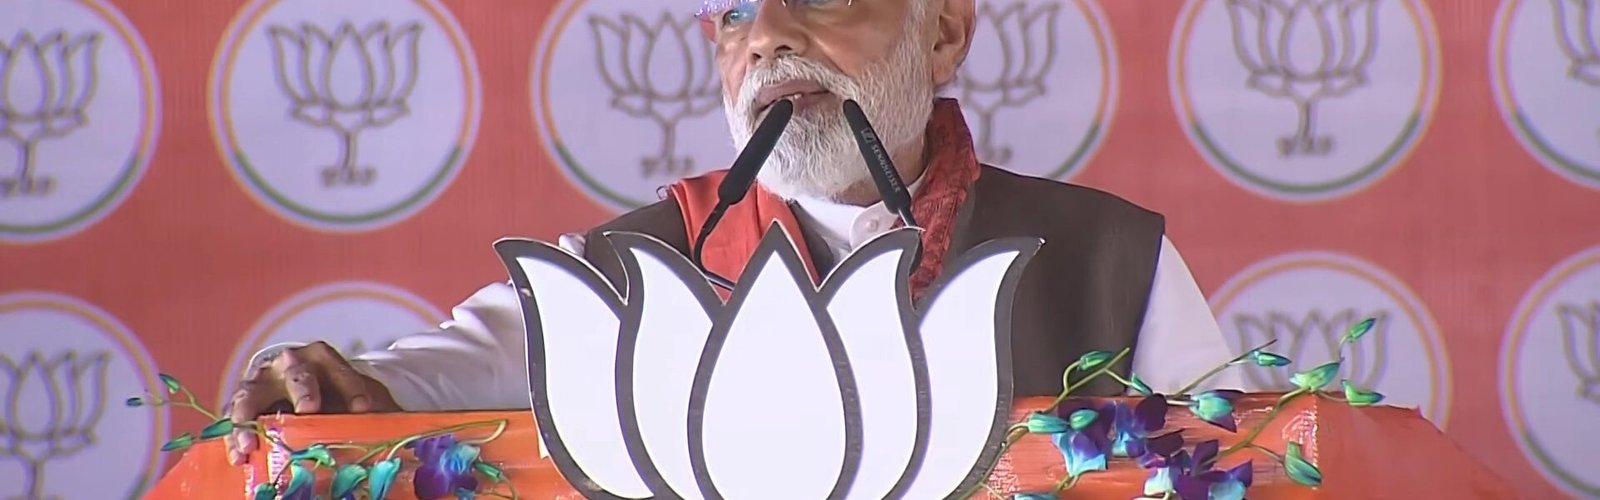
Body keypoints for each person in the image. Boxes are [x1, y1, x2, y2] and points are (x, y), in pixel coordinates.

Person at [223, 0, 1243, 464]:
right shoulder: (634, 266)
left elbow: (1255, 462)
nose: (766, 37)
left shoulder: (1116, 258)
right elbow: (433, 373)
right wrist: (341, 387)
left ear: (943, 32)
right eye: (731, 14)